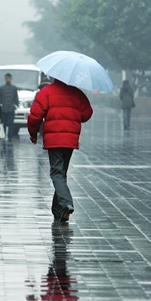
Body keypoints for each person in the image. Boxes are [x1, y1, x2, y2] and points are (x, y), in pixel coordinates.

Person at [28, 79, 93, 222]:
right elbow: (87, 113)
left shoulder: (46, 92)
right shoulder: (76, 92)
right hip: (70, 140)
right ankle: (59, 211)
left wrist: (33, 133)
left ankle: (66, 203)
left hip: (54, 140)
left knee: (57, 173)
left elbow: (35, 115)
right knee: (61, 173)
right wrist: (74, 116)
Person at [0, 73, 18, 140]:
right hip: (3, 108)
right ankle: (3, 134)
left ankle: (10, 136)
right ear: (5, 79)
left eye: (9, 78)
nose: (8, 80)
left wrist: (15, 105)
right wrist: (0, 105)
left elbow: (16, 98)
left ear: (11, 79)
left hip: (11, 108)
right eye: (7, 78)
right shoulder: (1, 88)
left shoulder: (14, 88)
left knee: (11, 123)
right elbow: (0, 98)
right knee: (3, 122)